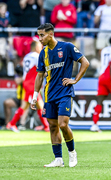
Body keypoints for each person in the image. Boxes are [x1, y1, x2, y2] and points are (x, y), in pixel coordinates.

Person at [31, 23, 90, 168]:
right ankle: (58, 159)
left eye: (42, 35)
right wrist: (34, 96)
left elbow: (85, 62)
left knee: (63, 124)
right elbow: (39, 76)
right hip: (49, 94)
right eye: (39, 35)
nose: (39, 38)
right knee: (52, 126)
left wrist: (75, 80)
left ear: (50, 34)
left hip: (64, 93)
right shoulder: (43, 53)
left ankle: (72, 153)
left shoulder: (67, 47)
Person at [7, 41, 49, 132]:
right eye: (39, 46)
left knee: (26, 105)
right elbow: (42, 70)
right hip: (33, 84)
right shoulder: (37, 56)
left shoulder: (26, 57)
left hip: (27, 83)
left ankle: (12, 124)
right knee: (40, 105)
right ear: (36, 47)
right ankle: (46, 127)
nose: (41, 48)